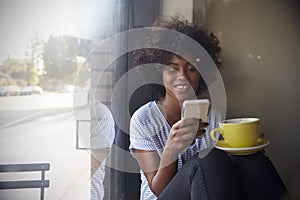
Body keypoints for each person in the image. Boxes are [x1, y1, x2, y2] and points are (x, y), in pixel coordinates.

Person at [129, 17, 291, 200]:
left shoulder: (212, 117)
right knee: (208, 158)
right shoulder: (143, 119)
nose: (182, 76)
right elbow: (158, 190)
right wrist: (171, 150)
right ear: (160, 73)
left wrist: (246, 148)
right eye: (173, 69)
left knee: (253, 162)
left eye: (191, 69)